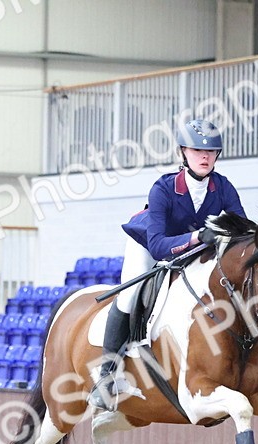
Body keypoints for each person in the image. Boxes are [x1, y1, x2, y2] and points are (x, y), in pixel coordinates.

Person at [88, 118, 247, 411]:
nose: (204, 156)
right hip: (149, 245)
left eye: (211, 152)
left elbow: (243, 229)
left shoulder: (223, 188)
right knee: (129, 296)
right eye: (197, 150)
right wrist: (198, 235)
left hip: (192, 250)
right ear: (183, 153)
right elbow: (160, 245)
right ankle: (106, 376)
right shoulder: (162, 188)